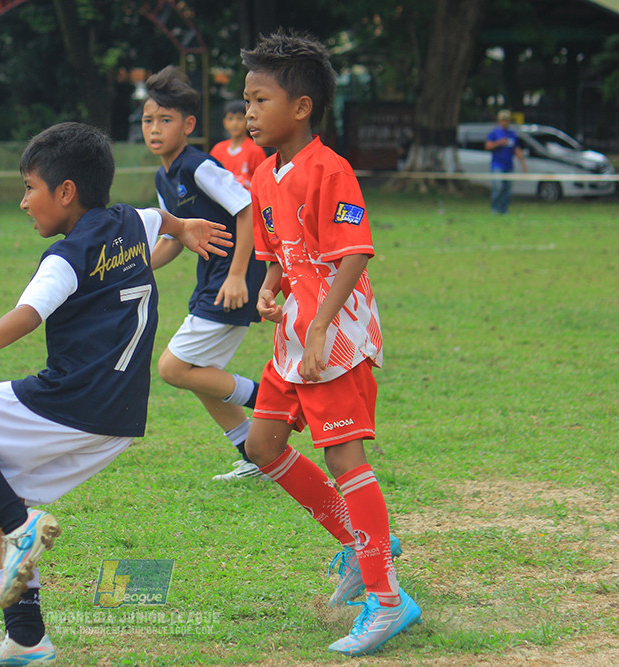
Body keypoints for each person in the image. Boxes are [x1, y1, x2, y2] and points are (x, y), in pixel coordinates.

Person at [0, 122, 231, 665]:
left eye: (29, 188)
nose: (23, 202)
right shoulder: (129, 221)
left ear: (65, 192)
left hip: (71, 401)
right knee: (2, 491)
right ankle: (27, 638)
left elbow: (27, 314)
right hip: (120, 415)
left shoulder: (65, 257)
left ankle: (22, 529)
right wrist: (185, 228)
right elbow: (160, 219)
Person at [240, 32, 421, 656]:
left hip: (333, 336)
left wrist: (320, 326)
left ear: (302, 107)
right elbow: (278, 253)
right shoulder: (264, 175)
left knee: (346, 461)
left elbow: (354, 253)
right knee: (262, 445)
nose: (249, 112)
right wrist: (270, 288)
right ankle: (360, 548)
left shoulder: (330, 169)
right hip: (293, 336)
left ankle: (388, 600)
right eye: (246, 101)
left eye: (260, 100)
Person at [142, 66, 267, 482]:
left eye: (165, 120)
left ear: (188, 125)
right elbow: (174, 239)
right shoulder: (164, 176)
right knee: (200, 373)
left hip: (235, 275)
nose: (154, 128)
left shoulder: (198, 166)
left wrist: (236, 275)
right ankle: (255, 455)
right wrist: (134, 268)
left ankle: (276, 403)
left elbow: (247, 210)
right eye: (148, 120)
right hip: (212, 276)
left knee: (173, 368)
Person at [209, 100, 267, 190]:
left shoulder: (255, 150)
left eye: (239, 119)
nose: (234, 123)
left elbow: (263, 181)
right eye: (230, 119)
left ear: (247, 121)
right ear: (225, 122)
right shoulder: (218, 149)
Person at [485, 109, 527, 214]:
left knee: (507, 189)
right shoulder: (494, 133)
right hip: (497, 165)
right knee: (498, 187)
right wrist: (499, 143)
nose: (505, 122)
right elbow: (487, 146)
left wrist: (523, 163)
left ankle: (504, 210)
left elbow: (516, 149)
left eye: (507, 120)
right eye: (503, 120)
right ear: (499, 121)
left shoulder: (512, 134)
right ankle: (495, 209)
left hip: (509, 165)